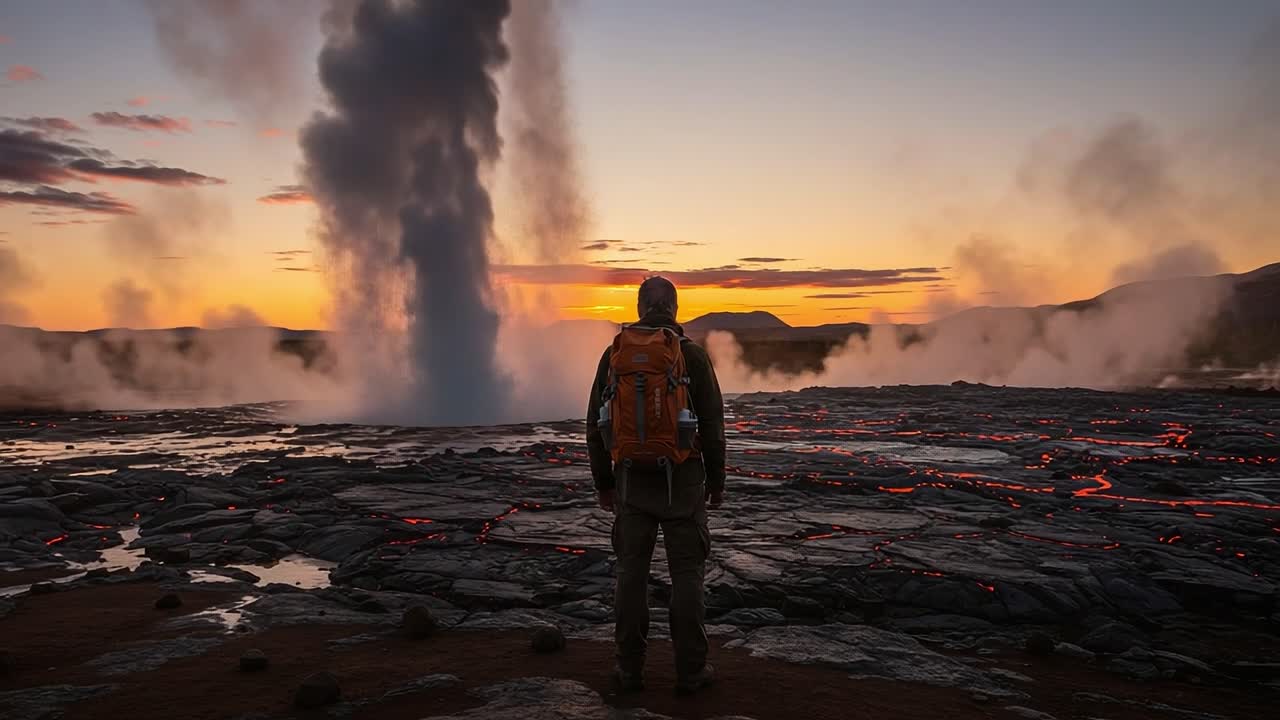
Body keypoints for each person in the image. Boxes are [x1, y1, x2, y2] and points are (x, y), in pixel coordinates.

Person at [586, 275, 726, 695]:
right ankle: (690, 672)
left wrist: (604, 483)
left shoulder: (614, 355)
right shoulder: (693, 358)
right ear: (676, 308)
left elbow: (595, 426)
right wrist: (716, 481)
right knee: (687, 576)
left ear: (640, 307)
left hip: (630, 483)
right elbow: (714, 427)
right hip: (682, 482)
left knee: (630, 576)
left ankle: (629, 670)